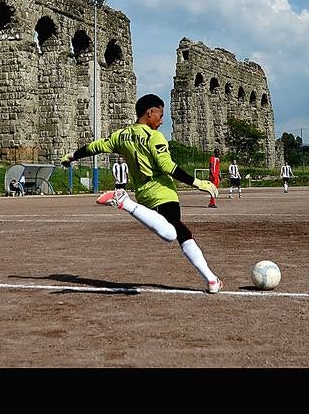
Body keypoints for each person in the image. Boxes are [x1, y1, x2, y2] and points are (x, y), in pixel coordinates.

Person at [60, 94, 223, 294]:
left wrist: (73, 156)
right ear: (150, 112)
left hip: (145, 196)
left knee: (182, 233)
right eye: (160, 115)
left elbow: (95, 147)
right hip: (163, 193)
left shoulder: (120, 135)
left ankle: (212, 280)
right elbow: (166, 166)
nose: (162, 121)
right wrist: (198, 183)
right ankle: (124, 202)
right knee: (172, 234)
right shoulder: (154, 136)